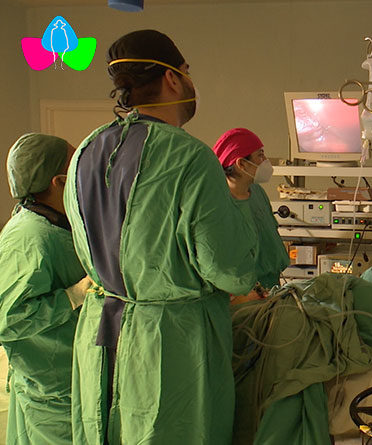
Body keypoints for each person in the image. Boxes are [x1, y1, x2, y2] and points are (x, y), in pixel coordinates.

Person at [63, 30, 258, 444]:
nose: (191, 83)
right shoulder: (189, 157)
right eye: (188, 73)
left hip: (98, 338)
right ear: (173, 78)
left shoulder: (84, 151)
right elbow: (233, 272)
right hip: (169, 346)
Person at [0, 133, 91, 445]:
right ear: (59, 182)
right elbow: (8, 320)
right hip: (52, 389)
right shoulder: (29, 237)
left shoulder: (56, 224)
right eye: (76, 164)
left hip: (69, 379)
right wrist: (73, 296)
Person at [212, 128, 289, 296]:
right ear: (242, 164)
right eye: (260, 155)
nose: (265, 161)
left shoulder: (257, 193)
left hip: (272, 285)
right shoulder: (219, 203)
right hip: (244, 294)